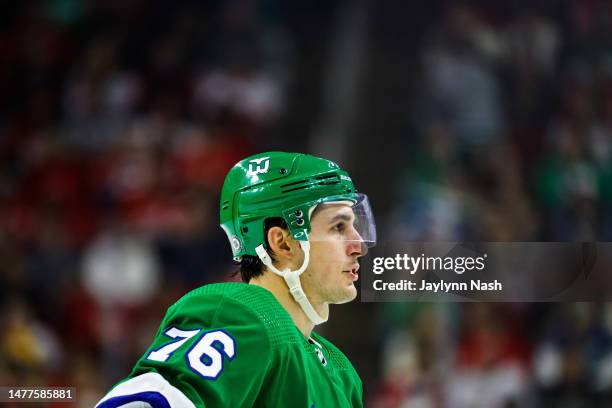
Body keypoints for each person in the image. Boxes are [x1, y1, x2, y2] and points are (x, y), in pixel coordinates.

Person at [95, 151, 377, 407]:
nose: (358, 245)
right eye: (338, 227)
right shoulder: (244, 316)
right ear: (283, 243)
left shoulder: (342, 373)